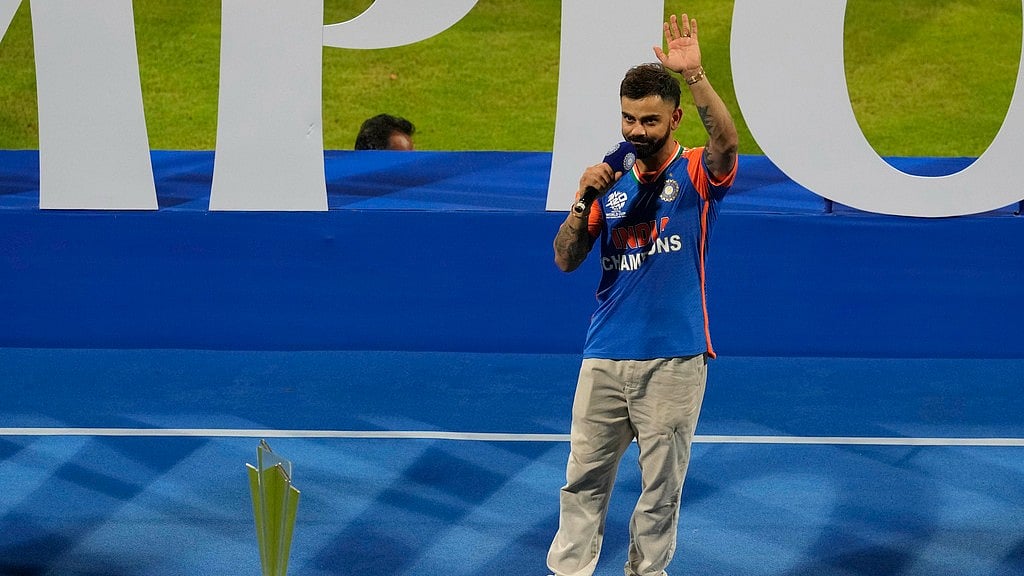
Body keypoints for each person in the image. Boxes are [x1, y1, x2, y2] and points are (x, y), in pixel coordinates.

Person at [547, 12, 738, 576]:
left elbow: (726, 141)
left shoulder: (699, 172)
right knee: (581, 482)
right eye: (629, 118)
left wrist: (696, 73)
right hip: (603, 355)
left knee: (660, 492)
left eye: (649, 121)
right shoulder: (609, 175)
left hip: (674, 358)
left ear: (674, 118)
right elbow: (564, 258)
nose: (636, 130)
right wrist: (583, 201)